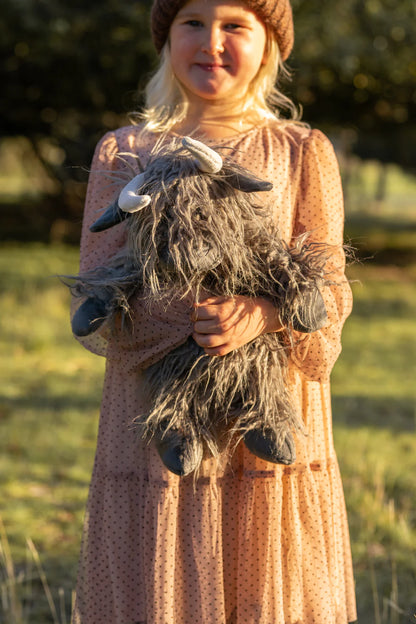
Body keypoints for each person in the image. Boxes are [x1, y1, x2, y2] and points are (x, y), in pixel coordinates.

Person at [70, 0, 357, 622]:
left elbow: (330, 290)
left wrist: (265, 314)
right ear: (166, 38)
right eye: (192, 22)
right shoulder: (124, 152)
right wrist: (182, 315)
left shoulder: (302, 150)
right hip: (155, 430)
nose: (212, 42)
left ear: (269, 45)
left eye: (236, 25)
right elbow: (97, 286)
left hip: (267, 428)